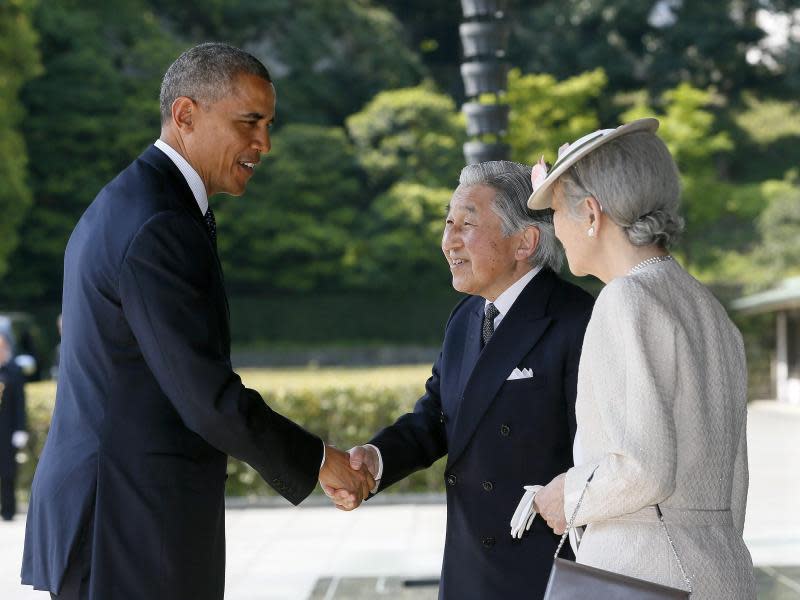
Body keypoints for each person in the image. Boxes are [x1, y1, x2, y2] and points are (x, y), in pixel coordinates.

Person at [22, 43, 372, 600]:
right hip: (127, 522)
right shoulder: (159, 220)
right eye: (249, 122)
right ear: (186, 115)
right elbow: (206, 396)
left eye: (268, 124)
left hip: (121, 512)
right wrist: (318, 460)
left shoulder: (142, 200)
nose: (264, 143)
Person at [327, 161, 595, 599]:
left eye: (467, 224)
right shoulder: (466, 317)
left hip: (546, 575)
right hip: (470, 568)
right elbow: (437, 417)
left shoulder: (577, 320)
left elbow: (599, 458)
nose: (448, 241)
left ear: (525, 241)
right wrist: (376, 460)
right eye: (448, 223)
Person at [527, 119, 756, 598]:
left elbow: (644, 469)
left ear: (591, 213)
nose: (557, 231)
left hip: (645, 574)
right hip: (722, 568)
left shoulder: (625, 299)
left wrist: (564, 496)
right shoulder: (707, 309)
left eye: (557, 214)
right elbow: (733, 479)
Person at [0, 332, 28, 521]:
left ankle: (8, 509)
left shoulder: (14, 370)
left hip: (7, 429)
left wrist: (20, 429)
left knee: (8, 471)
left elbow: (20, 402)